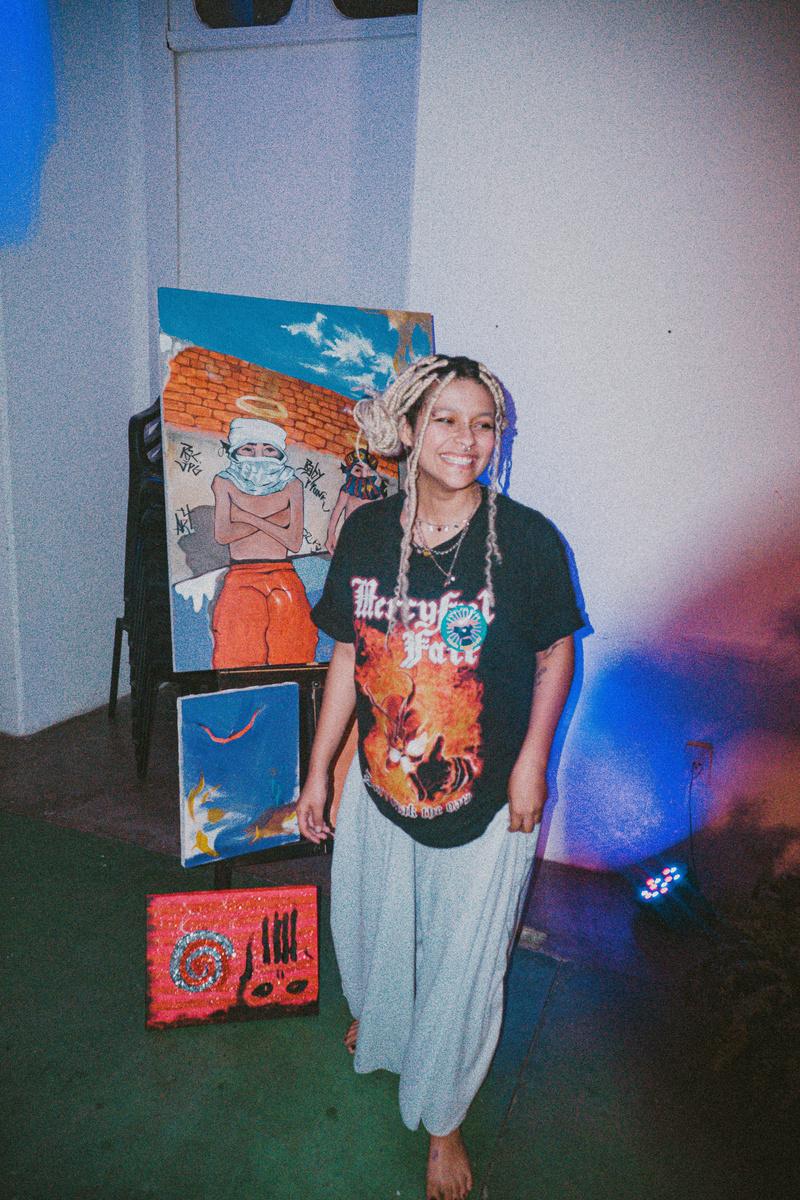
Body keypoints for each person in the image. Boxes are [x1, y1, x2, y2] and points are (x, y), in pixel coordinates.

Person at [296, 356, 583, 1200]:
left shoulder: (527, 539)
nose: (468, 440)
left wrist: (533, 763)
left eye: (484, 424)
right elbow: (346, 655)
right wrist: (321, 770)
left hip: (485, 800)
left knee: (464, 961)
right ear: (410, 429)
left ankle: (445, 1118)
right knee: (375, 926)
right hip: (379, 786)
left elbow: (556, 652)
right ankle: (386, 1025)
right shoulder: (366, 533)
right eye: (448, 420)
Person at [210, 415, 318, 668]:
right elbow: (223, 534)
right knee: (237, 651)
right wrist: (277, 519)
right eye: (248, 449)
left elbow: (293, 542)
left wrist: (243, 516)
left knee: (295, 647)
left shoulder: (292, 484)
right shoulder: (224, 481)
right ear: (235, 450)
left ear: (280, 453)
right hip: (241, 574)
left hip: (283, 574)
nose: (259, 456)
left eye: (268, 449)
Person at [325, 447, 388, 554]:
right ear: (350, 471)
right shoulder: (347, 491)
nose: (364, 475)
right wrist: (330, 536)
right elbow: (336, 512)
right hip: (351, 538)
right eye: (358, 470)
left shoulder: (376, 493)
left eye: (368, 470)